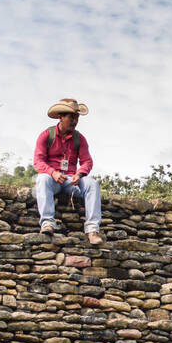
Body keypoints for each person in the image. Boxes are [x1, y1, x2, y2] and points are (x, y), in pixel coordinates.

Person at [33, 98, 102, 244]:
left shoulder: (80, 139)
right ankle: (47, 223)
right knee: (42, 179)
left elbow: (87, 161)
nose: (75, 121)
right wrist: (53, 173)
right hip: (52, 180)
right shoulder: (46, 135)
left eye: (76, 117)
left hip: (71, 180)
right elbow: (38, 161)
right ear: (61, 117)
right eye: (71, 117)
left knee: (92, 184)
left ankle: (92, 229)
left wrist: (79, 174)